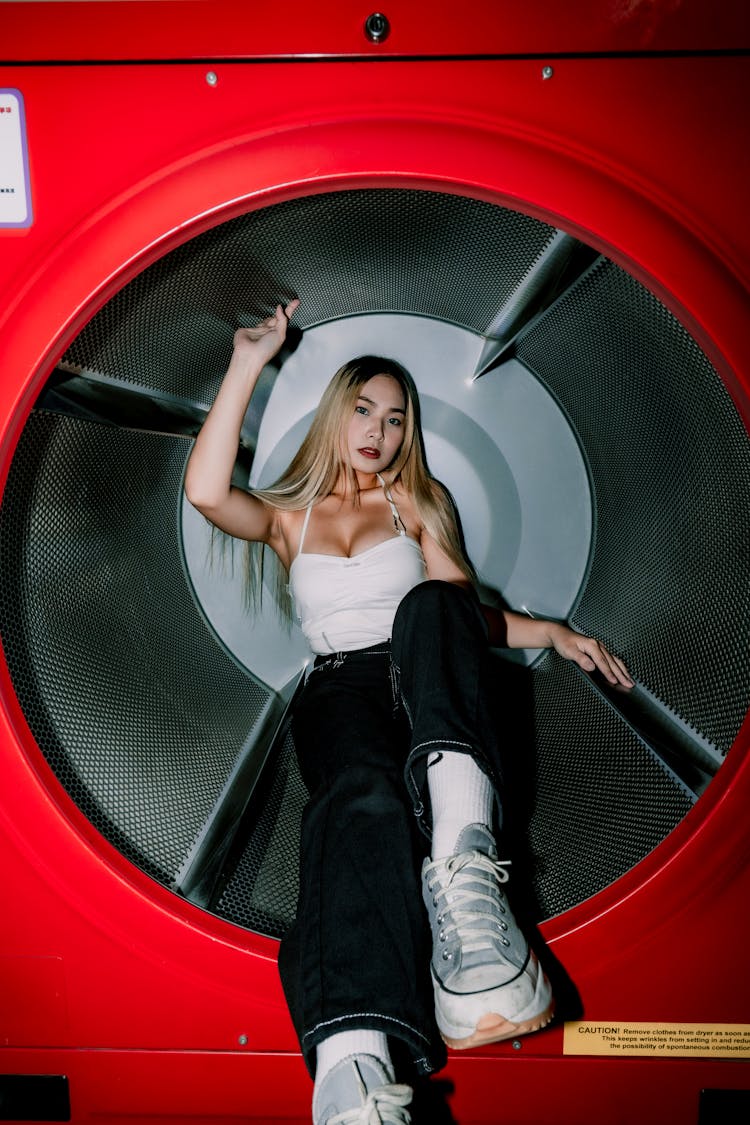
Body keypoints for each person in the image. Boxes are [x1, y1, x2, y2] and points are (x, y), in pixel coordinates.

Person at [184, 302, 633, 1125]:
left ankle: (465, 879)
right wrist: (249, 361)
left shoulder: (416, 508)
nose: (379, 431)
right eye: (363, 410)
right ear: (336, 414)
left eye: (396, 419)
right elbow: (209, 492)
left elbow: (464, 618)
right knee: (360, 796)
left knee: (432, 601)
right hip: (341, 689)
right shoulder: (293, 517)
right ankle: (353, 1075)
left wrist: (557, 633)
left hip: (424, 671)